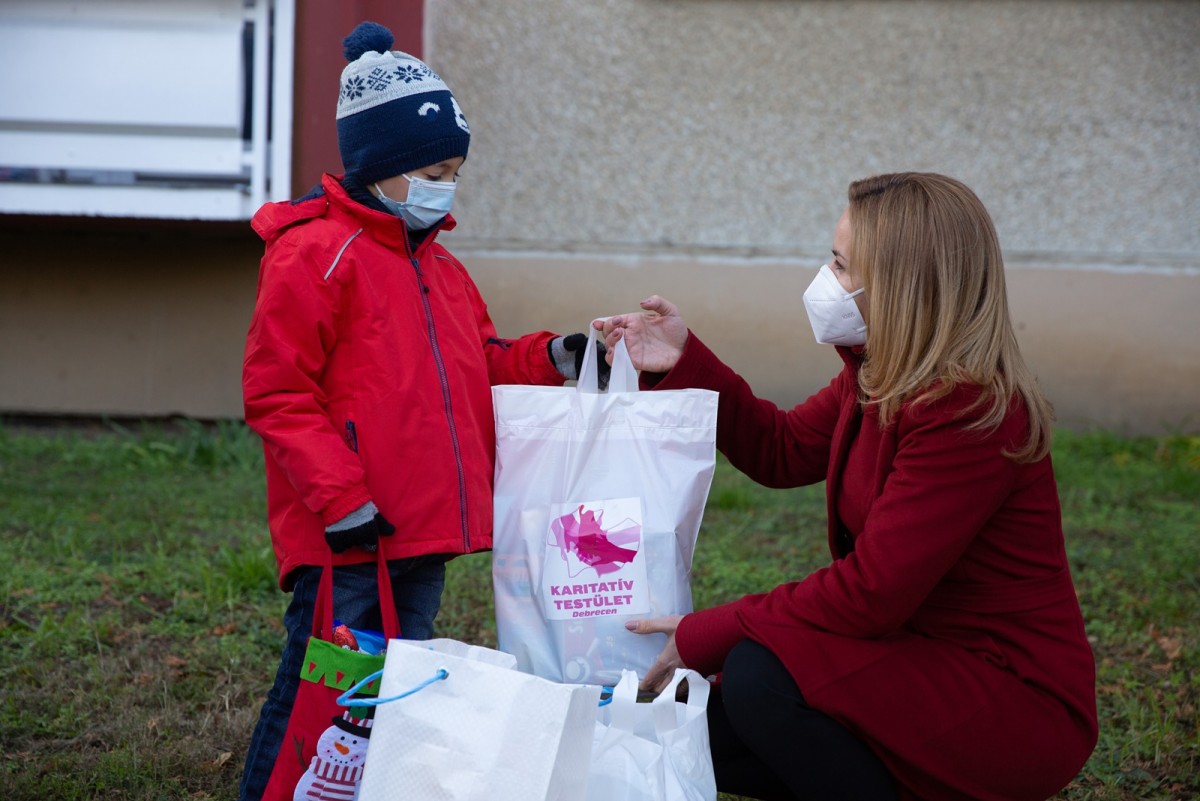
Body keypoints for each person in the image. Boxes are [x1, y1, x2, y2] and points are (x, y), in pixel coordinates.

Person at [597, 172, 1098, 801]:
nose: (824, 280)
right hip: (919, 657)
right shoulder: (880, 374)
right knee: (707, 727)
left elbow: (870, 593)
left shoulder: (969, 409)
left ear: (899, 286)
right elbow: (781, 449)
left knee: (759, 676)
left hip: (1009, 697)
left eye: (839, 265)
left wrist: (712, 630)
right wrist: (683, 360)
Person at [238, 21, 606, 801]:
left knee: (396, 691)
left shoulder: (443, 268)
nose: (447, 187)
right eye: (435, 171)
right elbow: (278, 392)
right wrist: (341, 499)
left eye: (454, 173)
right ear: (384, 165)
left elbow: (480, 362)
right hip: (348, 536)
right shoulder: (314, 254)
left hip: (421, 532)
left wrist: (552, 357)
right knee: (324, 690)